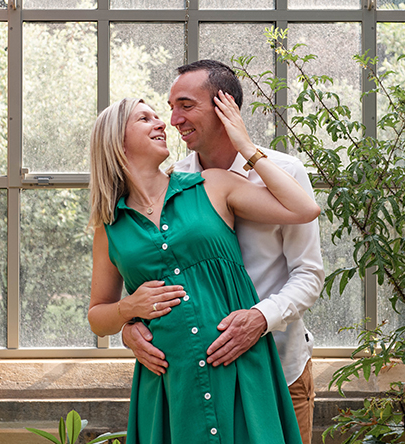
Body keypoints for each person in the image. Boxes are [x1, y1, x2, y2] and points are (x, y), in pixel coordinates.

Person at [87, 94, 321, 444]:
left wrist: (245, 146)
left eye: (162, 114)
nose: (164, 122)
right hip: (171, 384)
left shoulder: (210, 184)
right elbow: (97, 315)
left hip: (246, 369)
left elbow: (305, 209)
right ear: (116, 141)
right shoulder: (110, 228)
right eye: (145, 118)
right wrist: (128, 312)